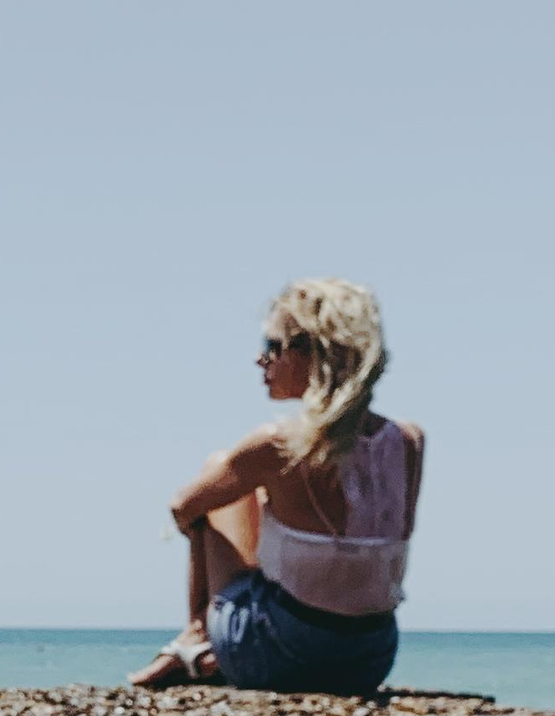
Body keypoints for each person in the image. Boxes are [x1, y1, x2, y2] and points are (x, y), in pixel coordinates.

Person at [131, 277, 422, 694]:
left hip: (278, 656)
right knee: (252, 489)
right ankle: (198, 636)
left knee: (220, 475)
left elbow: (182, 506)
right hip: (369, 659)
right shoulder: (407, 441)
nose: (259, 359)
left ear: (313, 354)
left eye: (272, 346)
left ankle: (196, 635)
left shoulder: (276, 444)